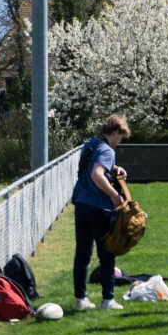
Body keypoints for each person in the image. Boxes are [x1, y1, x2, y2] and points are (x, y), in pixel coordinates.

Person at [71, 115, 131, 312]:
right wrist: (114, 195)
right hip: (98, 208)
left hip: (81, 204)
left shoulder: (91, 144)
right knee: (107, 254)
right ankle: (108, 300)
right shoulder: (107, 149)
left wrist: (114, 168)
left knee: (82, 254)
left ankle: (81, 299)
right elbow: (97, 175)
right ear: (115, 132)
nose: (119, 142)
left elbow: (92, 166)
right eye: (120, 137)